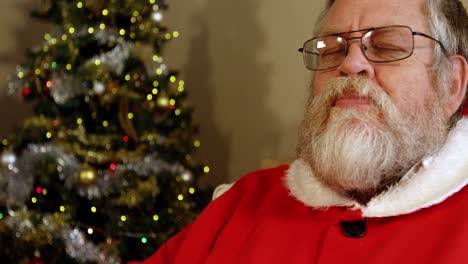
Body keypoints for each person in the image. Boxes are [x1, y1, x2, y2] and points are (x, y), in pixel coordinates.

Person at [132, 0, 468, 263]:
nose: (349, 64)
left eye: (388, 46)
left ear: (452, 84)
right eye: (333, 49)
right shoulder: (241, 201)